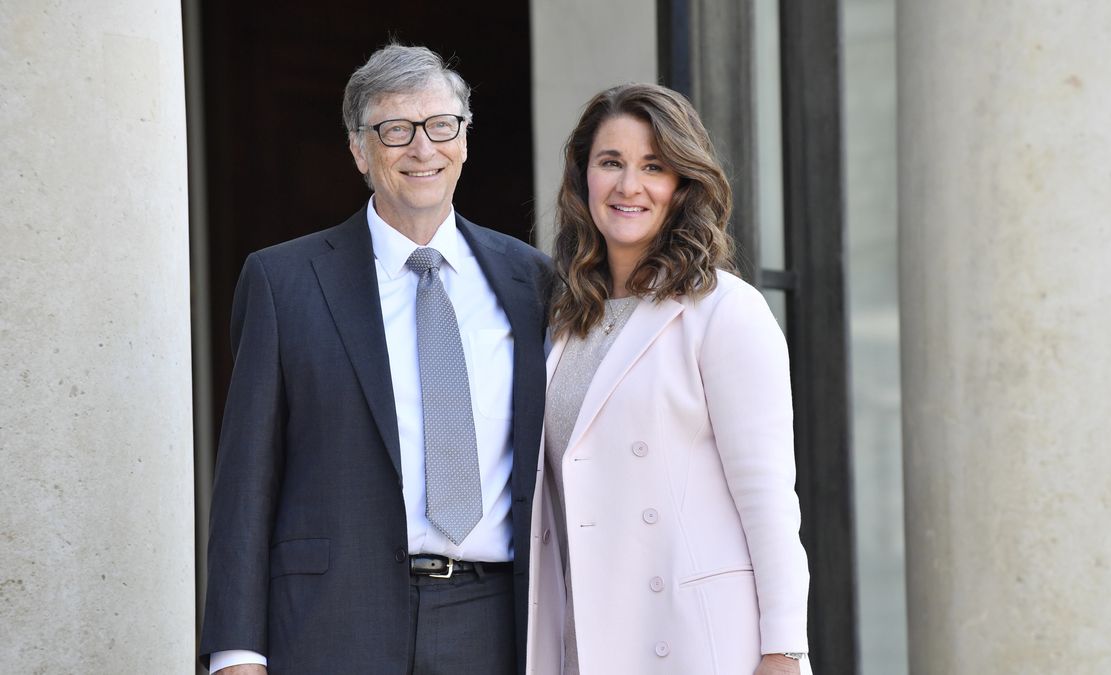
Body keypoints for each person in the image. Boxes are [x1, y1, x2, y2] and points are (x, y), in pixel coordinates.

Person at [198, 43, 552, 674]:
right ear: (359, 150)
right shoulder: (285, 282)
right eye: (396, 130)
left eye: (442, 126)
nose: (423, 149)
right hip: (333, 620)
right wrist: (236, 651)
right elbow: (245, 480)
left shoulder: (533, 282)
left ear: (464, 140)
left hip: (494, 621)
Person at [526, 83, 813, 674]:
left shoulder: (725, 311)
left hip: (692, 640)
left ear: (682, 184)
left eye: (653, 167)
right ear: (584, 179)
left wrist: (784, 652)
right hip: (581, 640)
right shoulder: (560, 318)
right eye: (611, 163)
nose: (629, 186)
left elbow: (769, 501)